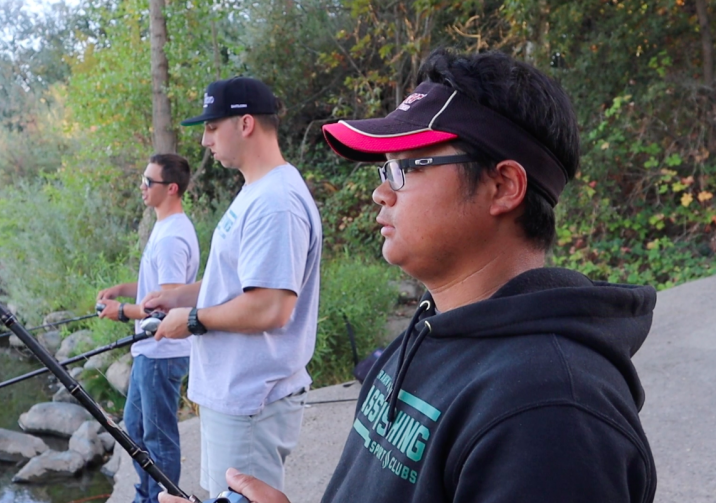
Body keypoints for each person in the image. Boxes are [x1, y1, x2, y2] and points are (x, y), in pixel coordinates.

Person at [160, 48, 657, 503]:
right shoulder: (429, 331)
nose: (381, 193)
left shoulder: (550, 417)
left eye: (408, 166)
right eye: (384, 169)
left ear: (503, 186)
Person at [142, 76, 323, 498]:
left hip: (251, 401)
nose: (205, 140)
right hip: (234, 398)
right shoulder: (255, 191)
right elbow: (243, 282)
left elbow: (269, 307)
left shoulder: (276, 201)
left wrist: (191, 319)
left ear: (244, 125)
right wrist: (181, 295)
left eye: (211, 126)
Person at [97, 153, 200, 503]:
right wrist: (124, 290)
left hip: (162, 352)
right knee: (136, 431)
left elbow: (168, 303)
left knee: (158, 439)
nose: (142, 186)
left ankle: (162, 499)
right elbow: (159, 289)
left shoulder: (172, 237)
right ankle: (145, 496)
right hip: (149, 352)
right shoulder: (164, 226)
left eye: (148, 182)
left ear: (171, 188)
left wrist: (123, 311)